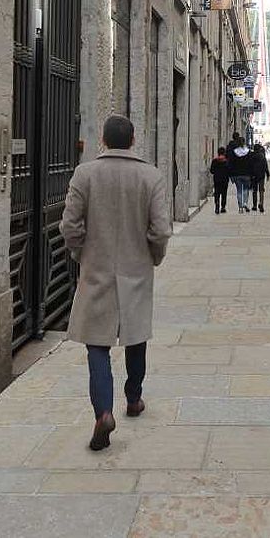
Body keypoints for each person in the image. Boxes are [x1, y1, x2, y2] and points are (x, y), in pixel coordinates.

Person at [60, 115, 172, 451]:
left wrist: (83, 253)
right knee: (136, 337)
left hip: (97, 268)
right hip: (136, 268)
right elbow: (161, 229)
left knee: (97, 344)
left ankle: (104, 413)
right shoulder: (150, 176)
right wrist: (153, 255)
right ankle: (134, 398)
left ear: (104, 141)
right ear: (133, 140)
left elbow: (70, 225)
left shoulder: (86, 174)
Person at [225, 135, 251, 213]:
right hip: (246, 174)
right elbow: (251, 164)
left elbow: (231, 164)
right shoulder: (248, 152)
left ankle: (240, 206)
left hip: (237, 174)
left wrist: (231, 174)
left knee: (239, 190)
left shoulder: (234, 152)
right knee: (246, 189)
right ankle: (245, 203)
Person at [249, 142, 270, 213]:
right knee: (261, 190)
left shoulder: (251, 156)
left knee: (254, 191)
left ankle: (254, 206)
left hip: (254, 175)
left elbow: (249, 166)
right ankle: (261, 203)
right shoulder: (262, 156)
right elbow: (265, 166)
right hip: (261, 175)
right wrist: (268, 174)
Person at [209, 147, 230, 214]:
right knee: (224, 193)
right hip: (225, 179)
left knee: (217, 193)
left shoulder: (214, 161)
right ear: (224, 153)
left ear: (218, 153)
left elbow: (212, 171)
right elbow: (229, 170)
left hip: (217, 179)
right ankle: (223, 207)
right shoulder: (226, 161)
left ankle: (217, 206)